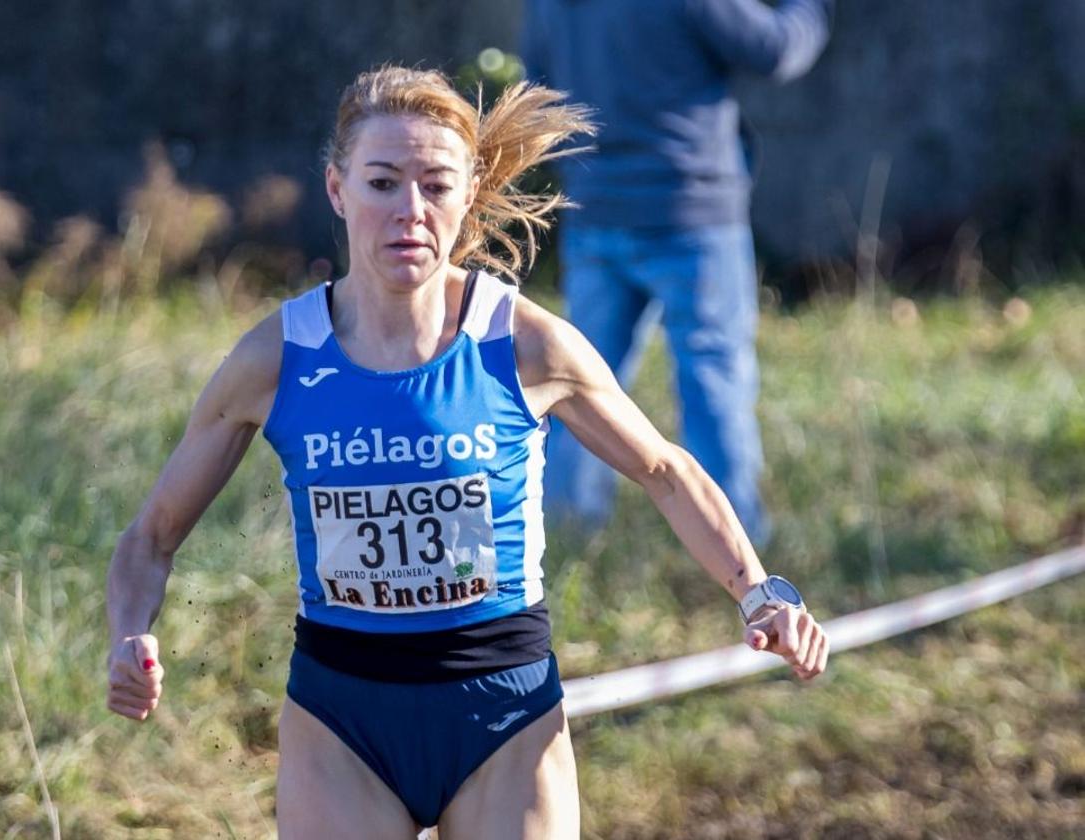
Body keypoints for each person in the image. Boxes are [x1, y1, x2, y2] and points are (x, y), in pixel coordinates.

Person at [105, 66, 829, 839]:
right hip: (341, 720)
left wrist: (760, 594)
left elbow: (663, 470)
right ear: (337, 190)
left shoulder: (523, 343)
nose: (409, 212)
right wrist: (129, 633)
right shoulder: (276, 358)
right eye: (382, 183)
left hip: (504, 715)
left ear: (468, 194)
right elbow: (151, 536)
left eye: (435, 185)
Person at [522, 0, 835, 545]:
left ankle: (567, 532)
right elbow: (775, 49)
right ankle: (734, 543)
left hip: (596, 208)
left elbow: (537, 87)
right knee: (713, 374)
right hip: (691, 209)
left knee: (576, 381)